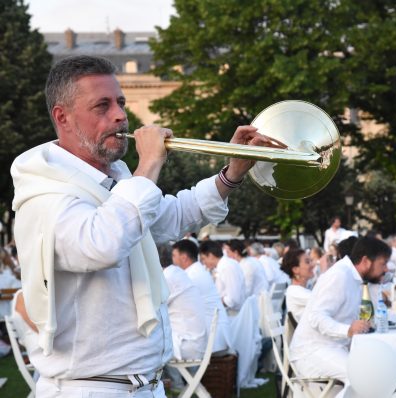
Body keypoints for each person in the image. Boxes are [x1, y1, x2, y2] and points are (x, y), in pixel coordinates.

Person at [11, 55, 269, 397]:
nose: (120, 115)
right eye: (102, 106)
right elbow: (102, 244)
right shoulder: (44, 193)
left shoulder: (118, 180)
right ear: (63, 117)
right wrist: (147, 164)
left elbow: (173, 217)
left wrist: (232, 172)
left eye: (121, 103)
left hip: (145, 385)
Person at [290, 237, 391, 383]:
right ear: (365, 262)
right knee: (362, 377)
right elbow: (316, 317)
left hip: (336, 347)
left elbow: (374, 314)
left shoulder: (356, 277)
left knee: (380, 365)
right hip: (312, 351)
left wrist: (376, 282)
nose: (386, 269)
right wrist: (348, 330)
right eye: (383, 264)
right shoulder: (340, 275)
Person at [171, 239, 231, 354]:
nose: (172, 259)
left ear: (184, 257)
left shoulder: (192, 276)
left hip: (212, 339)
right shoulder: (195, 271)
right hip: (215, 333)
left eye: (174, 255)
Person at [158, 244, 207, 361]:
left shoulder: (168, 277)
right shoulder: (176, 272)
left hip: (187, 344)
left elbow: (153, 306)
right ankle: (173, 380)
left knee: (143, 347)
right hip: (194, 341)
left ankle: (172, 380)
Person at [199, 240, 247, 314]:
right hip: (226, 311)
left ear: (211, 256)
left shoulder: (227, 267)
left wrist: (211, 303)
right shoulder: (223, 265)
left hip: (232, 315)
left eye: (203, 259)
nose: (204, 263)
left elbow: (232, 299)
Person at [281, 249, 314, 322]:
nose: (312, 265)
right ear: (295, 269)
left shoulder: (300, 290)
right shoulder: (295, 292)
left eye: (311, 261)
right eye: (307, 262)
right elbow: (324, 301)